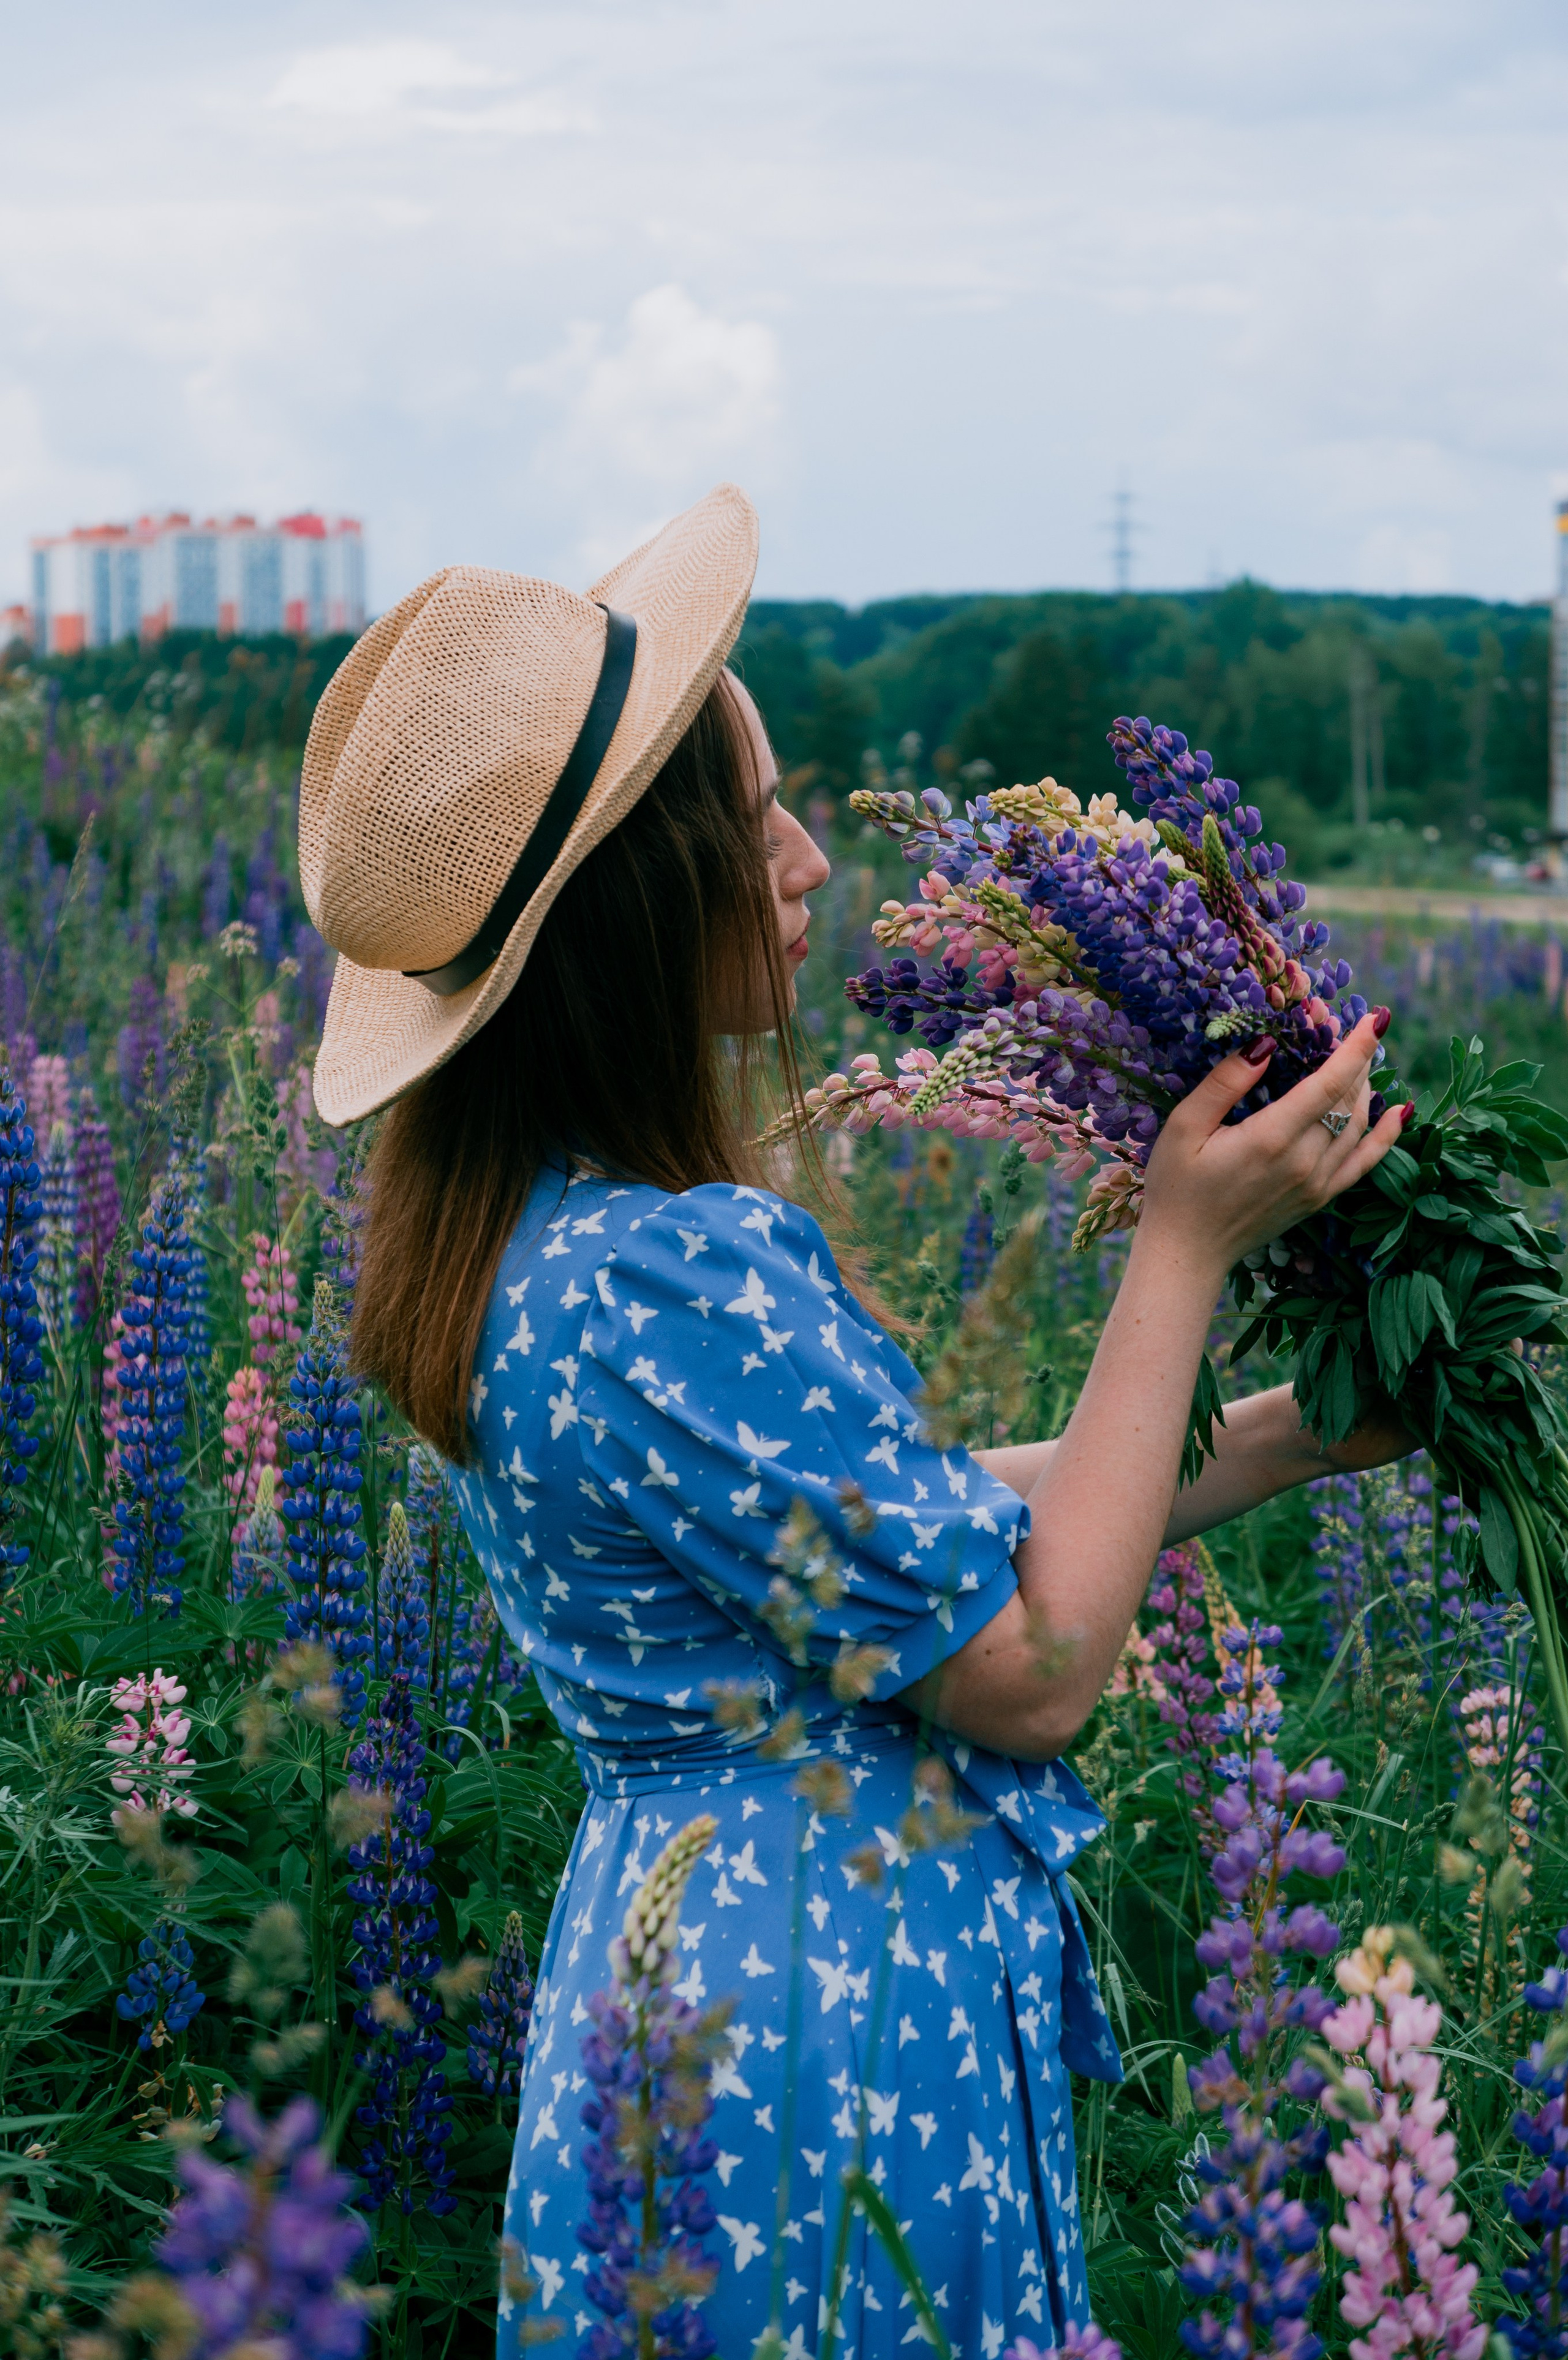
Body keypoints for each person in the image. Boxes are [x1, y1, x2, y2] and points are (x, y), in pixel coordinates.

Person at [300, 484, 1410, 2357]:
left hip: (684, 1999)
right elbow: (1036, 1657)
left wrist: (1310, 1427)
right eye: (756, 822)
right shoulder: (678, 1270)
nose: (811, 860)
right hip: (824, 2032)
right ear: (634, 917)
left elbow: (904, 1536)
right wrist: (1184, 1239)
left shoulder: (531, 1243)